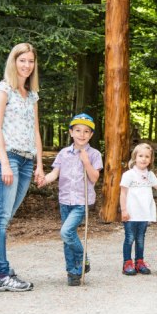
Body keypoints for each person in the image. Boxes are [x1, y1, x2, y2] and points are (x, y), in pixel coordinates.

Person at [0, 42, 45, 292]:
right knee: (0, 218)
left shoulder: (32, 95)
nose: (27, 65)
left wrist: (39, 164)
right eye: (22, 60)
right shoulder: (2, 90)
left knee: (3, 219)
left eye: (30, 61)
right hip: (5, 159)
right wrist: (5, 163)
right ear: (13, 62)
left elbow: (35, 131)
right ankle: (2, 275)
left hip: (27, 161)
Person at [38, 113, 103, 286]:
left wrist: (86, 161)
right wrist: (45, 179)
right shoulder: (63, 153)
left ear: (91, 135)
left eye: (86, 131)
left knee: (66, 232)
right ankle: (73, 272)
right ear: (71, 132)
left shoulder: (94, 154)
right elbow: (55, 173)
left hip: (82, 202)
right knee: (68, 237)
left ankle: (82, 260)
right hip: (65, 200)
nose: (82, 134)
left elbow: (95, 177)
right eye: (78, 130)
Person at [119, 143, 157, 276]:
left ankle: (139, 262)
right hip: (131, 213)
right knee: (130, 238)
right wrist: (124, 210)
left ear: (150, 159)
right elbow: (123, 193)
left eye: (147, 156)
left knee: (141, 238)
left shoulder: (150, 175)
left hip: (144, 213)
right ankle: (127, 263)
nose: (143, 159)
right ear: (134, 157)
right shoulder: (129, 174)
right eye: (140, 156)